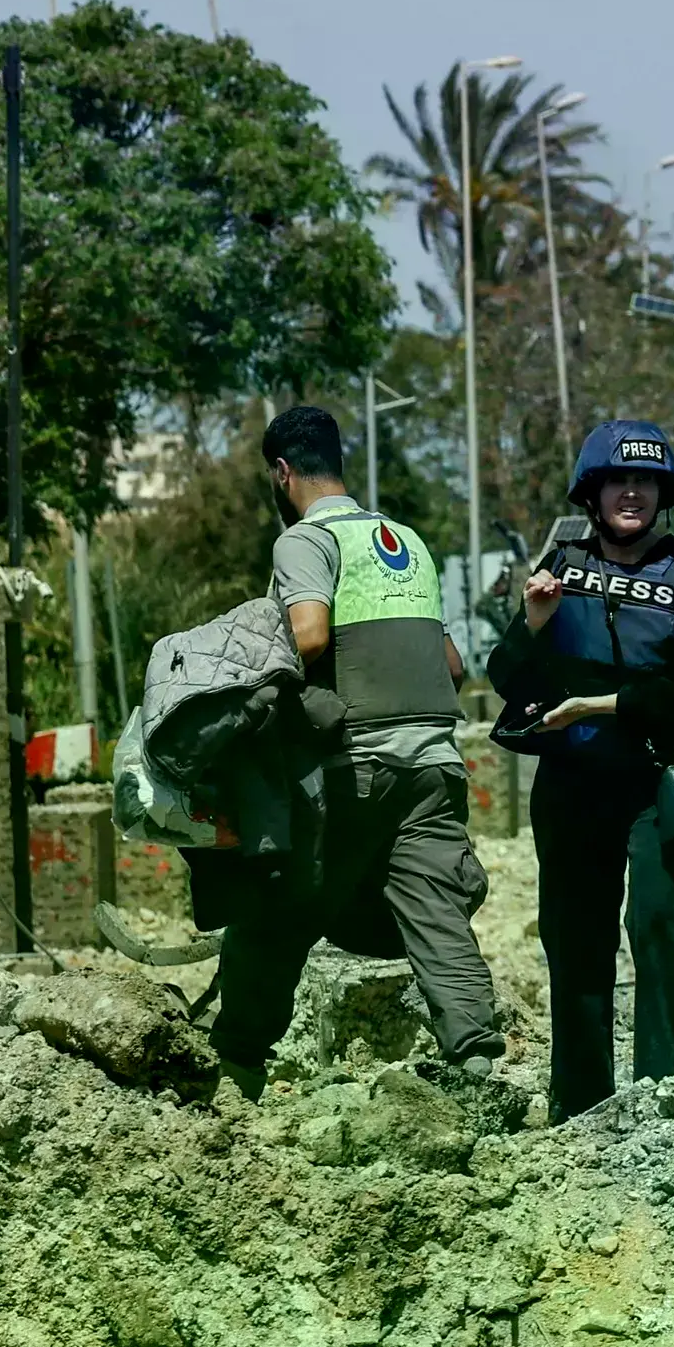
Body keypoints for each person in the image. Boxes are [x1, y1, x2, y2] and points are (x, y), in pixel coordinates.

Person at [211, 406, 503, 1094]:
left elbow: (309, 636)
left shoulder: (306, 542)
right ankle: (478, 1063)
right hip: (434, 765)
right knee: (437, 915)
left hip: (356, 765)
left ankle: (234, 1065)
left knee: (276, 908)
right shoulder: (404, 539)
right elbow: (453, 665)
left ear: (282, 473)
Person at [488, 420, 674, 1123]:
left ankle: (670, 1096)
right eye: (618, 482)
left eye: (647, 482)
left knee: (657, 922)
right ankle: (582, 1101)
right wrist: (533, 621)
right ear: (592, 495)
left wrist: (598, 703)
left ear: (664, 494)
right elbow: (505, 677)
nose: (632, 493)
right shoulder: (558, 568)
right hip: (572, 786)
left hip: (661, 781)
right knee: (575, 937)